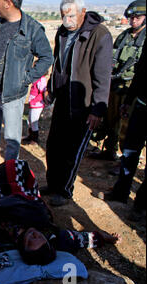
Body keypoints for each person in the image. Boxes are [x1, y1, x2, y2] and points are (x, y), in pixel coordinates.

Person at [43, 0, 113, 206]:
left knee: (72, 150)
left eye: (71, 16)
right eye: (63, 16)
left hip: (84, 103)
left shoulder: (100, 35)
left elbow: (102, 76)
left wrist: (98, 109)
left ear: (83, 13)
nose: (67, 20)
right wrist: (51, 88)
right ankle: (53, 183)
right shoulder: (63, 33)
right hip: (64, 99)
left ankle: (64, 191)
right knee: (54, 145)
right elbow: (59, 65)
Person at [0, 0, 53, 167]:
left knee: (11, 139)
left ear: (8, 3)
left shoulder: (32, 29)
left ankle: (10, 173)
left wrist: (25, 79)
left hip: (12, 94)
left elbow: (47, 57)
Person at [90, 0, 146, 162]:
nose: (133, 20)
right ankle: (109, 150)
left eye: (137, 17)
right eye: (131, 17)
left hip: (132, 87)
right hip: (115, 83)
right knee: (111, 119)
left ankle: (125, 158)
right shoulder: (124, 36)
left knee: (127, 124)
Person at [104, 40, 146, 222]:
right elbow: (140, 74)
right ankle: (121, 192)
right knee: (129, 152)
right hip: (142, 107)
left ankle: (141, 204)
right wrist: (129, 101)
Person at [22, 72, 49, 145]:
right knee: (29, 120)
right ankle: (30, 136)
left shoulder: (42, 80)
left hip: (37, 104)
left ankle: (35, 139)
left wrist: (34, 101)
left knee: (34, 121)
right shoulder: (37, 79)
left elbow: (42, 93)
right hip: (33, 104)